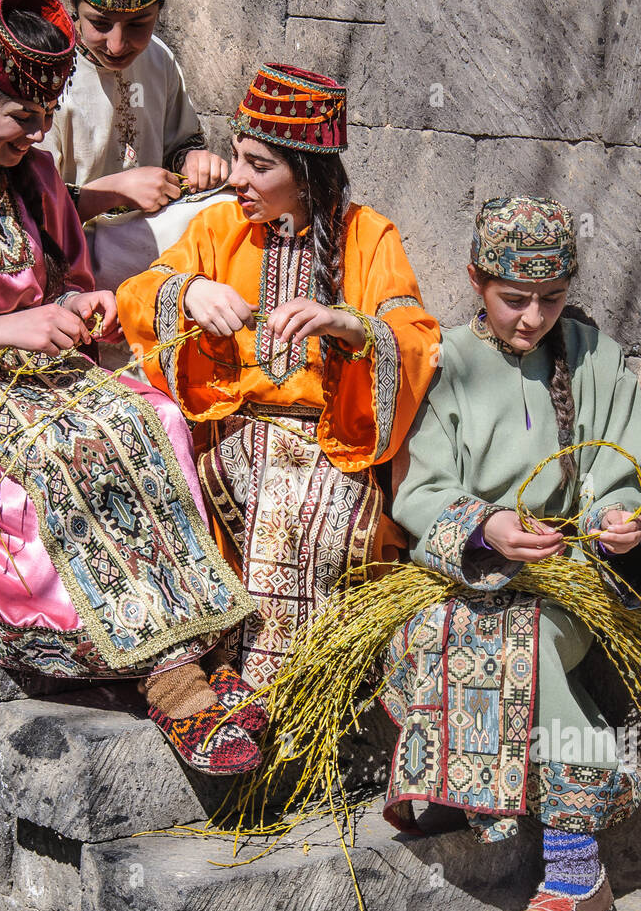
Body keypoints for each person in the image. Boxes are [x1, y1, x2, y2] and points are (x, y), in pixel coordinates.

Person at [0, 0, 263, 777]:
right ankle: (160, 673)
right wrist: (0, 331)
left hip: (46, 370)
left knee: (147, 418)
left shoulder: (38, 174)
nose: (34, 135)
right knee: (55, 453)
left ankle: (191, 643)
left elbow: (69, 277)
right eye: (19, 117)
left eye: (42, 119)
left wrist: (88, 304)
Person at [380, 196, 641, 911]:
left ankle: (577, 865)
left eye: (550, 299)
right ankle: (470, 791)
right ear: (477, 281)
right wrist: (485, 528)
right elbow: (417, 488)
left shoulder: (593, 358)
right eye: (514, 299)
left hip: (562, 586)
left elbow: (624, 472)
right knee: (443, 629)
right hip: (458, 577)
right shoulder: (443, 362)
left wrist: (618, 527)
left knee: (528, 638)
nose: (531, 318)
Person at [116, 64, 442, 690]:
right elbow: (138, 292)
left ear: (308, 175)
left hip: (332, 446)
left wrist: (348, 325)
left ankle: (271, 690)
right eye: (237, 157)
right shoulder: (218, 227)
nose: (235, 178)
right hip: (232, 436)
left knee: (303, 506)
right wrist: (188, 292)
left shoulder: (369, 238)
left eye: (258, 166)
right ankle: (237, 679)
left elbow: (415, 338)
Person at [41, 0, 231, 293]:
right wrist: (114, 191)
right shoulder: (47, 71)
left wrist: (193, 161)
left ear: (159, 13)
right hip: (71, 246)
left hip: (148, 235)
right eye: (99, 23)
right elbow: (29, 204)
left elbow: (183, 142)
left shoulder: (158, 58)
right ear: (74, 7)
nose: (116, 44)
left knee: (231, 207)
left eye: (138, 26)